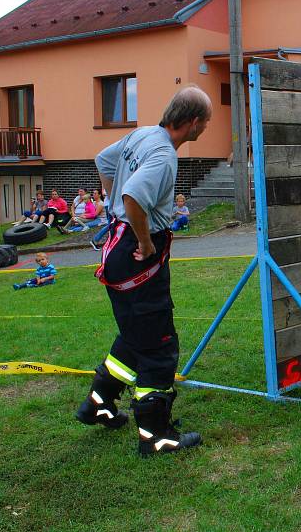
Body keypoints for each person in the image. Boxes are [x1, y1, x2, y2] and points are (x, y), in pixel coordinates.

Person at [75, 85, 211, 456]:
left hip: (116, 248)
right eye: (206, 123)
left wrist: (112, 209)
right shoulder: (164, 154)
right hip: (138, 252)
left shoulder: (141, 135)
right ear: (194, 122)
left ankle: (98, 405)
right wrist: (145, 241)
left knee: (134, 336)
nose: (205, 130)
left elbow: (104, 160)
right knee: (159, 346)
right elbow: (133, 196)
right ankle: (155, 435)